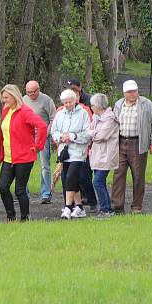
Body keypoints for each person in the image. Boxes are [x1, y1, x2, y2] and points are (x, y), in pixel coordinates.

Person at [0, 84, 48, 222]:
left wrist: (38, 146)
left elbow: (42, 126)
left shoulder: (24, 111)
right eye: (3, 98)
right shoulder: (6, 110)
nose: (4, 101)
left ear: (15, 97)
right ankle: (11, 216)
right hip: (9, 157)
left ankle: (25, 218)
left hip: (24, 157)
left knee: (20, 190)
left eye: (7, 98)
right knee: (2, 186)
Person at [111, 79, 152, 215]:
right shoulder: (118, 105)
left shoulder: (146, 104)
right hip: (121, 143)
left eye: (134, 91)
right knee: (118, 174)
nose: (133, 94)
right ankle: (117, 206)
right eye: (129, 92)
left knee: (138, 176)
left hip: (138, 143)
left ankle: (136, 207)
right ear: (124, 93)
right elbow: (113, 124)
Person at [51, 89, 92, 219]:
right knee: (69, 178)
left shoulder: (83, 113)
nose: (68, 105)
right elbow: (54, 131)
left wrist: (72, 136)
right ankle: (79, 207)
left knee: (70, 177)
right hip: (64, 152)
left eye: (70, 102)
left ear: (75, 100)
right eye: (65, 103)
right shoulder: (60, 114)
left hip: (78, 152)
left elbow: (88, 134)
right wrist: (60, 137)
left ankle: (68, 207)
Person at [23, 80, 56, 204]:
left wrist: (46, 133)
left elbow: (53, 118)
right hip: (28, 138)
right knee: (24, 166)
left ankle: (46, 193)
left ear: (38, 89)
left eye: (33, 92)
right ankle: (23, 192)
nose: (31, 94)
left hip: (43, 137)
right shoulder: (23, 100)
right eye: (28, 92)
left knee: (44, 166)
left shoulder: (47, 100)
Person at [87, 93, 119, 217]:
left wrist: (92, 133)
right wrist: (93, 133)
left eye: (93, 105)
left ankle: (105, 209)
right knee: (100, 182)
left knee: (97, 182)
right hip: (96, 154)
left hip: (106, 155)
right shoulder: (96, 116)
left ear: (99, 106)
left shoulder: (110, 118)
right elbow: (88, 131)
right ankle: (106, 209)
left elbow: (102, 136)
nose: (91, 107)